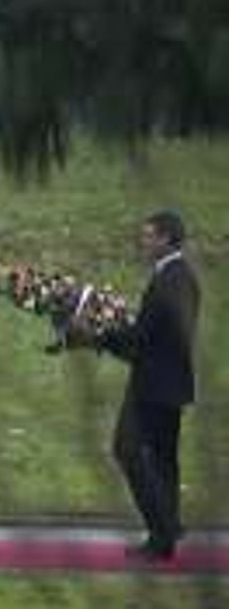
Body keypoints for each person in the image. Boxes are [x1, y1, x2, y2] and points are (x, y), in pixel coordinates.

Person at [82, 209, 200, 561]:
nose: (143, 242)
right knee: (164, 459)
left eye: (149, 236)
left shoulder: (168, 280)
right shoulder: (182, 276)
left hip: (153, 384)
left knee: (127, 449)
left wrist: (99, 335)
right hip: (171, 382)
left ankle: (163, 527)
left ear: (166, 238)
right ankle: (164, 540)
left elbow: (143, 337)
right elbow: (158, 333)